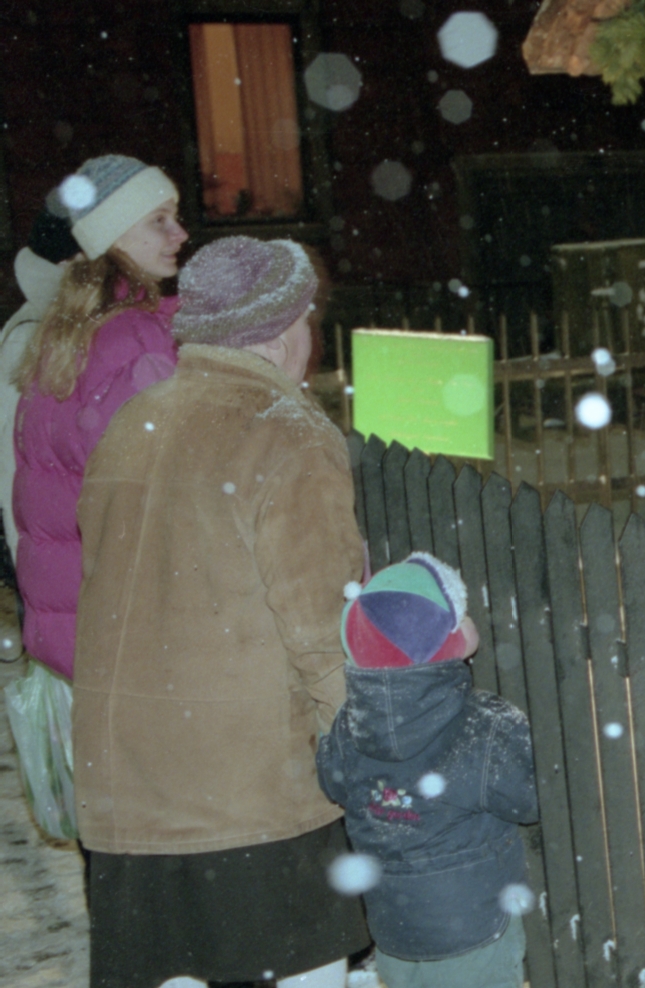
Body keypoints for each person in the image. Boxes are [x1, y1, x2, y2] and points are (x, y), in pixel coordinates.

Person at [74, 236, 368, 988]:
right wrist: (368, 761)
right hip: (251, 802)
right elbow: (324, 635)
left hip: (129, 796)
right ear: (282, 331)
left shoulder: (133, 423)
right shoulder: (287, 433)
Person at [317, 552, 537, 988]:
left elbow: (332, 779)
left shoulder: (350, 724)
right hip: (473, 930)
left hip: (394, 929)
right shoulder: (484, 724)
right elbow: (530, 798)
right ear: (446, 639)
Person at [12, 154, 187, 682]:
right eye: (158, 220)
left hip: (82, 618)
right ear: (113, 233)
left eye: (176, 216)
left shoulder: (67, 332)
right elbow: (169, 487)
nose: (179, 233)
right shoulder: (134, 338)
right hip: (133, 624)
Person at [1, 195, 80, 583]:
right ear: (70, 262)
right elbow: (15, 468)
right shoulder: (32, 337)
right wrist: (35, 574)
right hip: (58, 569)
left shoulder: (77, 329)